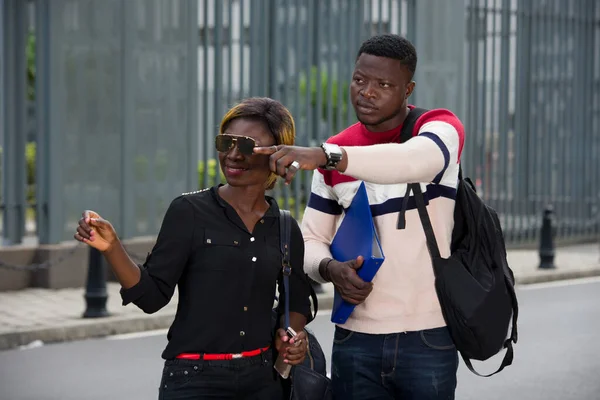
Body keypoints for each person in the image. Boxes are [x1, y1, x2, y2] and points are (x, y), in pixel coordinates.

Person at [254, 34, 465, 399]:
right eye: (360, 80)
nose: (367, 92)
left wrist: (327, 156)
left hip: (429, 338)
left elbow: (410, 161)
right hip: (356, 339)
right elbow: (311, 240)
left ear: (407, 89)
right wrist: (330, 269)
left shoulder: (440, 129)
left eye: (383, 85)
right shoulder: (335, 151)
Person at [74, 97, 313, 400]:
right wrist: (112, 248)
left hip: (264, 381)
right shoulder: (188, 211)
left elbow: (298, 303)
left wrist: (291, 337)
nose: (233, 155)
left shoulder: (284, 226)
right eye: (227, 142)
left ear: (278, 155)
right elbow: (151, 297)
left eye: (248, 145)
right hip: (193, 381)